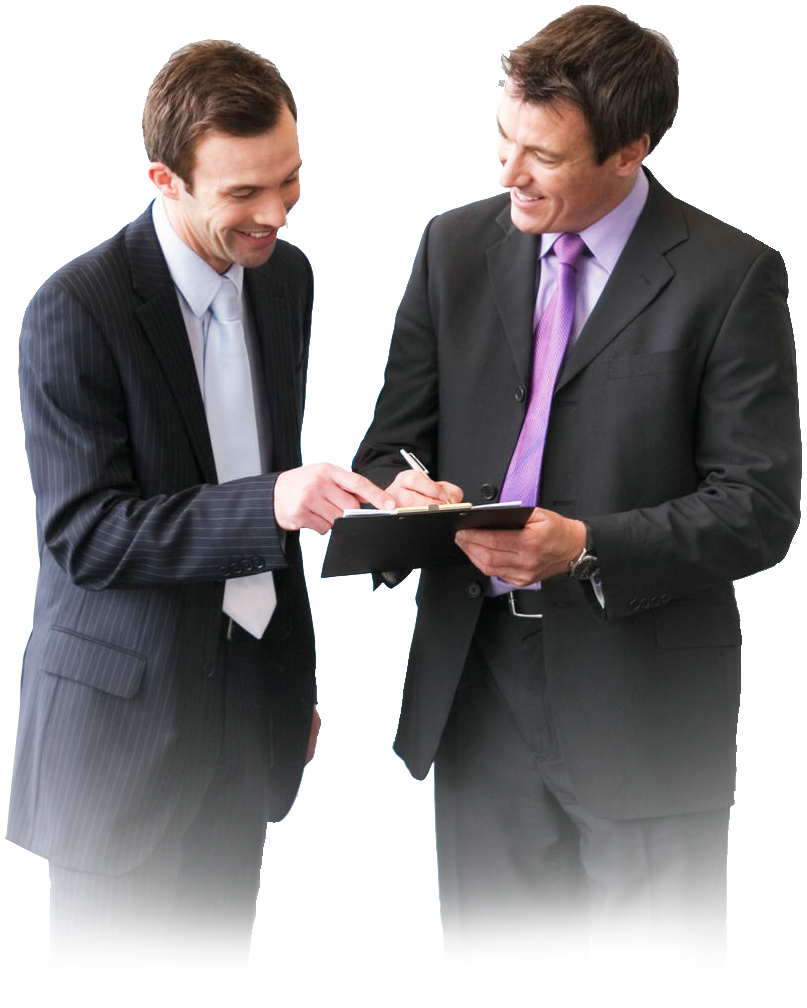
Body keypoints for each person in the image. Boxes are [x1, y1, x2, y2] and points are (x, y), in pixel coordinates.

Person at [353, 6, 799, 972]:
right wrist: (401, 495)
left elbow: (757, 508)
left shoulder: (730, 276)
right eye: (502, 139)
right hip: (475, 694)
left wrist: (585, 545)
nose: (507, 173)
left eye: (542, 156)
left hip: (643, 703)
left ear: (630, 151)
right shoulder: (450, 246)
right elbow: (389, 446)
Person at [8, 39, 394, 985]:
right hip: (118, 736)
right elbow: (86, 536)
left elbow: (246, 458)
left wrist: (372, 507)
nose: (275, 215)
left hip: (250, 715)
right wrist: (274, 502)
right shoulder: (75, 307)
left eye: (289, 181)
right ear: (165, 179)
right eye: (243, 194)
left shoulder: (286, 278)